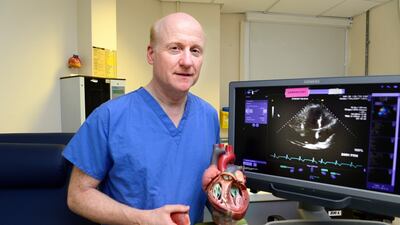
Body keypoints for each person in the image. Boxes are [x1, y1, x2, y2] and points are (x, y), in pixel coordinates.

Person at [63, 12, 221, 225]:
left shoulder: (209, 116)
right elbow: (78, 196)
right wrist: (144, 220)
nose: (186, 61)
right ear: (151, 54)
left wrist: (228, 196)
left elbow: (211, 192)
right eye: (175, 48)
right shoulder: (109, 117)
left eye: (195, 51)